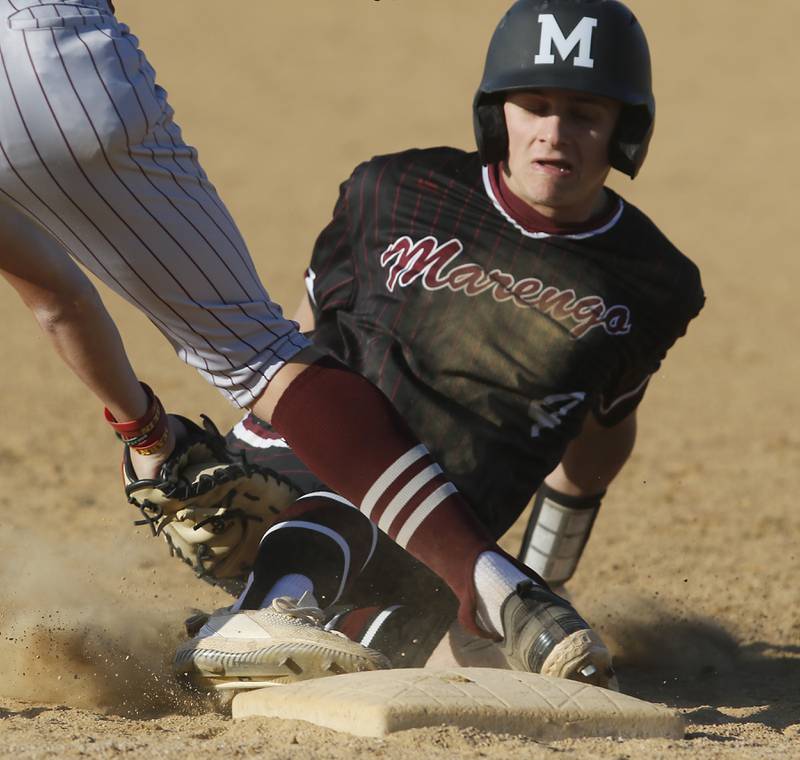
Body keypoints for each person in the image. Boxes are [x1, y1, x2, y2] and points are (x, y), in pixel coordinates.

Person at [0, 0, 602, 685]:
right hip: (42, 60)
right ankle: (500, 590)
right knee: (261, 356)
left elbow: (55, 299)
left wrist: (149, 439)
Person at [173, 0, 704, 690]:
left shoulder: (650, 280)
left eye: (584, 113)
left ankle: (307, 627)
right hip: (312, 464)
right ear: (495, 116)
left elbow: (594, 451)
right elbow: (300, 335)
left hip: (450, 534)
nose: (554, 133)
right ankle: (262, 611)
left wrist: (541, 578)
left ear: (625, 131)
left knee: (423, 646)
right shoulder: (394, 193)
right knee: (341, 505)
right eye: (533, 105)